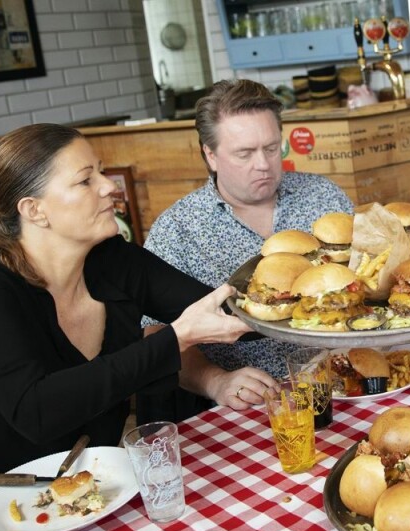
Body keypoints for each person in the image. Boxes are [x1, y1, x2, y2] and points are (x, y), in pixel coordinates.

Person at [0, 124, 251, 481]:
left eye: (101, 171)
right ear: (34, 210)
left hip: (98, 489)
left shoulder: (114, 260)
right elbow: (36, 412)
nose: (109, 186)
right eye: (85, 180)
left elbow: (234, 315)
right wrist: (176, 338)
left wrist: (323, 289)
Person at [142, 79, 353, 416]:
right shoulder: (177, 230)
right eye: (244, 153)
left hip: (345, 383)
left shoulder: (324, 197)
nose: (263, 164)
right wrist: (215, 381)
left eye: (272, 148)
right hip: (244, 405)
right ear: (210, 155)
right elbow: (156, 336)